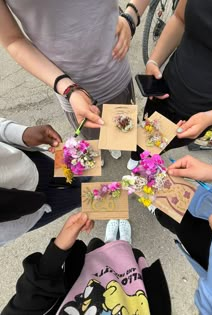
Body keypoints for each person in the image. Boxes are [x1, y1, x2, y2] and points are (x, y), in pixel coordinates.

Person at [0, 0, 150, 161]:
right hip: (65, 83)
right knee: (91, 135)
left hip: (114, 70)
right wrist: (68, 88)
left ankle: (113, 144)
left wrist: (131, 14)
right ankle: (99, 147)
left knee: (120, 130)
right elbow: (13, 40)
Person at [128, 0, 212, 169]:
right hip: (166, 84)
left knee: (169, 141)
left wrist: (210, 118)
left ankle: (149, 157)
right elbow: (179, 18)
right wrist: (154, 61)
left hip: (203, 111)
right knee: (147, 126)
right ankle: (137, 154)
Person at [1, 215, 172, 315]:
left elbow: (25, 303)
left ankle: (111, 244)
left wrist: (58, 248)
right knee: (131, 255)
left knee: (96, 246)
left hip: (84, 274)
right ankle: (122, 245)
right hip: (133, 286)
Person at [0, 117, 90, 246]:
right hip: (23, 216)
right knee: (82, 197)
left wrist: (21, 133)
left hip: (24, 163)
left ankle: (78, 181)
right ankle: (80, 195)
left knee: (68, 176)